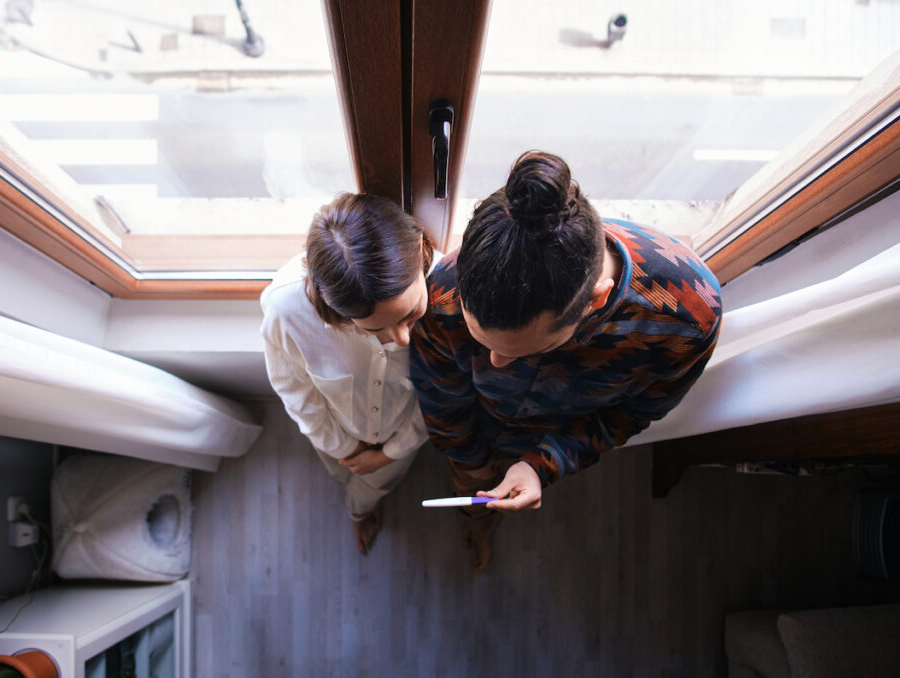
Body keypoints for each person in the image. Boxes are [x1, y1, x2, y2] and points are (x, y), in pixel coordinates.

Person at [410, 150, 722, 571]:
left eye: (525, 350)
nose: (492, 365)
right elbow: (441, 392)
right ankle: (477, 521)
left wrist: (543, 463)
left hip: (554, 432)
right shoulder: (446, 287)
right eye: (479, 341)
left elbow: (631, 414)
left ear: (598, 299)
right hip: (473, 433)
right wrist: (468, 464)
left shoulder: (687, 318)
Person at [260, 193, 435, 555]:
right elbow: (293, 388)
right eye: (376, 330)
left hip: (403, 433)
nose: (403, 338)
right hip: (336, 435)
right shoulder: (286, 311)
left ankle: (360, 510)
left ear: (420, 249)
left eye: (410, 313)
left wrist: (390, 453)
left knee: (374, 485)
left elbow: (441, 391)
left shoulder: (449, 293)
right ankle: (359, 500)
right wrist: (346, 447)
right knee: (344, 473)